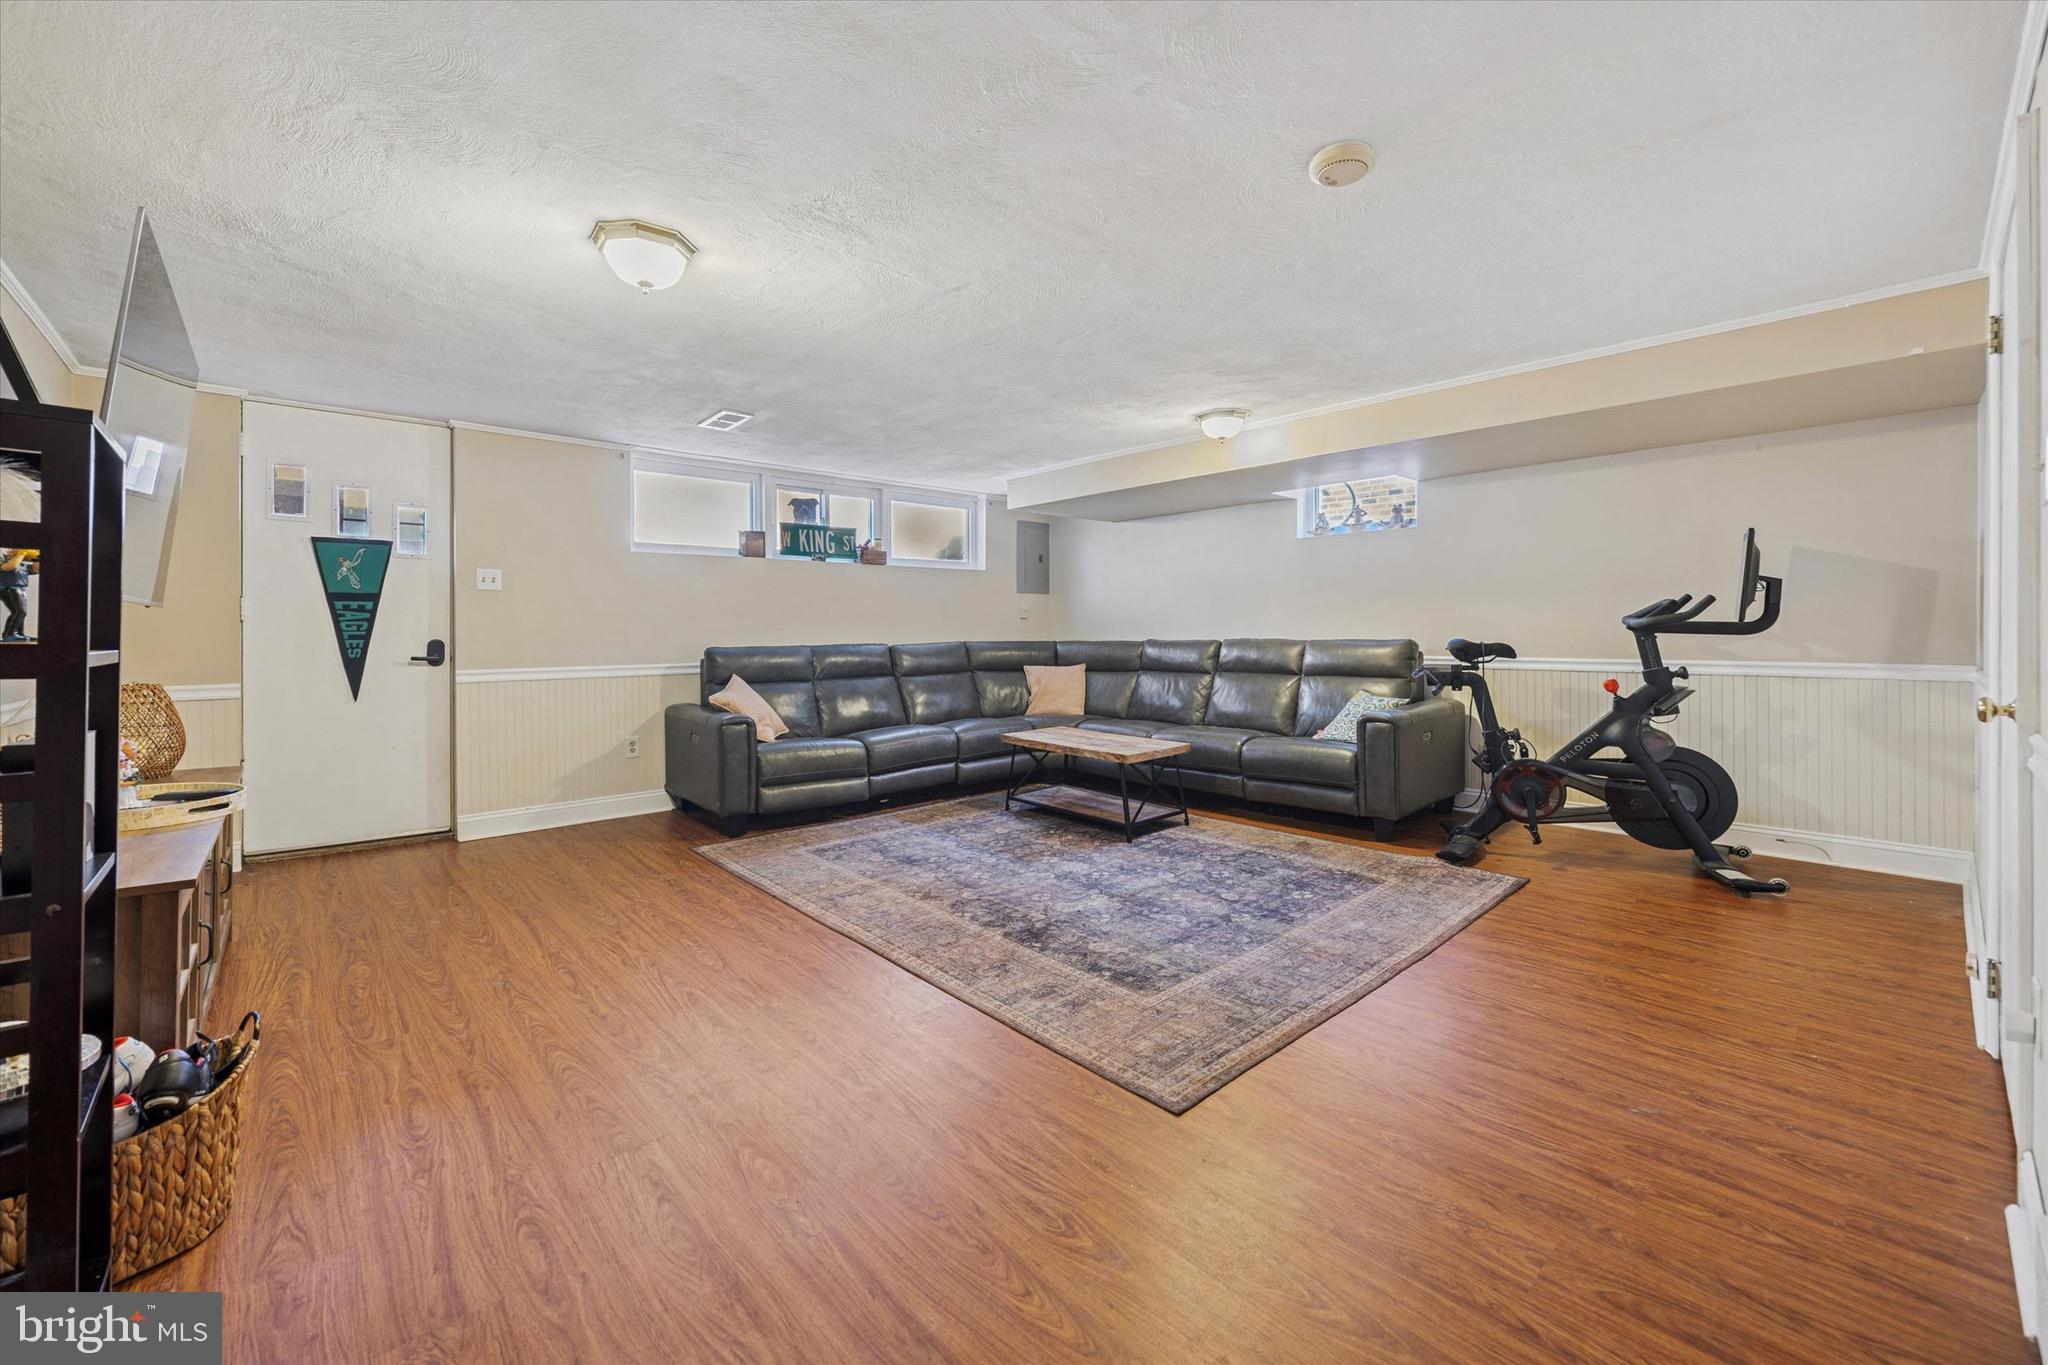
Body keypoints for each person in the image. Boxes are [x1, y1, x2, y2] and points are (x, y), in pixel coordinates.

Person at [0, 548, 37, 642]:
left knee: (20, 612)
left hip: (20, 589)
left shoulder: (23, 563)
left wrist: (36, 557)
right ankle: (9, 634)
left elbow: (37, 569)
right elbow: (10, 566)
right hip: (8, 588)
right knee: (20, 611)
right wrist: (21, 553)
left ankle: (19, 633)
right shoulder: (5, 560)